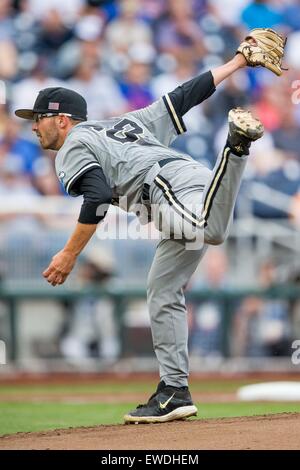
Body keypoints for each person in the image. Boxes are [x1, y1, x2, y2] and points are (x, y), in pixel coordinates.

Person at [15, 44, 266, 424]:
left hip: (168, 188)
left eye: (39, 118)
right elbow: (183, 96)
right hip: (178, 192)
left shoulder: (73, 146)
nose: (33, 125)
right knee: (162, 290)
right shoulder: (123, 123)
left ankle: (235, 149)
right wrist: (238, 62)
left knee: (209, 231)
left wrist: (69, 254)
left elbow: (97, 196)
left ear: (63, 120)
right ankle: (173, 391)